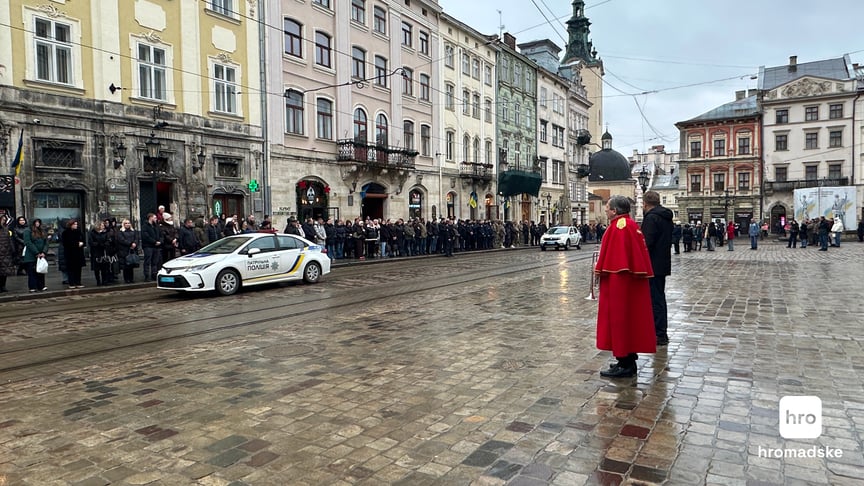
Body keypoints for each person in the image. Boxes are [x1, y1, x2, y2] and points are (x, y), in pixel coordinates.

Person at [595, 196, 656, 378]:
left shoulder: (621, 226)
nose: (605, 210)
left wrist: (601, 267)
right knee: (625, 321)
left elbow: (619, 258)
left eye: (607, 207)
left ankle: (626, 363)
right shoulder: (627, 224)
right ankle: (624, 359)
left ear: (614, 210)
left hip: (619, 282)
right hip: (621, 282)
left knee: (620, 320)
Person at [640, 191, 673, 346]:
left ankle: (659, 334)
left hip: (652, 264)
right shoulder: (665, 216)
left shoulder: (652, 218)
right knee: (659, 297)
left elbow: (646, 243)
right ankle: (660, 331)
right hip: (662, 263)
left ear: (645, 204)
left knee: (656, 299)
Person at [23, 218, 49, 292]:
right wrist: (36, 252)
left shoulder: (42, 231)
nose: (37, 223)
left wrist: (44, 252)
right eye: (36, 222)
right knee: (32, 272)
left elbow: (46, 242)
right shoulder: (28, 231)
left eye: (38, 222)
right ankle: (32, 287)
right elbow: (28, 242)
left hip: (42, 255)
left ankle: (41, 286)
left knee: (41, 271)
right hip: (31, 255)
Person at [61, 219, 86, 288]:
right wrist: (76, 244)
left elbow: (83, 240)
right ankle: (71, 283)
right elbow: (66, 243)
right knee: (71, 269)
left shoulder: (79, 232)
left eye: (76, 224)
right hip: (70, 254)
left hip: (78, 253)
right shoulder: (66, 233)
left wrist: (82, 243)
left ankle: (78, 282)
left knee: (78, 269)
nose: (76, 226)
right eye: (74, 224)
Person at [117, 219, 139, 284]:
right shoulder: (120, 232)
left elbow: (136, 238)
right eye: (126, 223)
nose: (127, 224)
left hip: (132, 250)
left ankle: (131, 279)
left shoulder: (133, 231)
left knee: (131, 265)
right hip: (124, 250)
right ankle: (126, 279)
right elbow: (121, 240)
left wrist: (134, 243)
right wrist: (130, 244)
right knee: (125, 266)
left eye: (128, 223)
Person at [141, 213, 163, 281]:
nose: (156, 219)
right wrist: (154, 242)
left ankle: (154, 275)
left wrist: (160, 241)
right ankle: (146, 276)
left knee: (155, 262)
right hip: (148, 246)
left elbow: (161, 234)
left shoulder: (156, 226)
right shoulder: (145, 226)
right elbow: (146, 236)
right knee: (147, 261)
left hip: (157, 247)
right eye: (155, 217)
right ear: (150, 218)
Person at [0, 216, 18, 292]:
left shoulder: (6, 229)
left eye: (5, 220)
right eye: (2, 220)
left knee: (5, 271)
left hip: (6, 253)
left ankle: (3, 286)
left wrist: (12, 250)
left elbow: (10, 240)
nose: (4, 221)